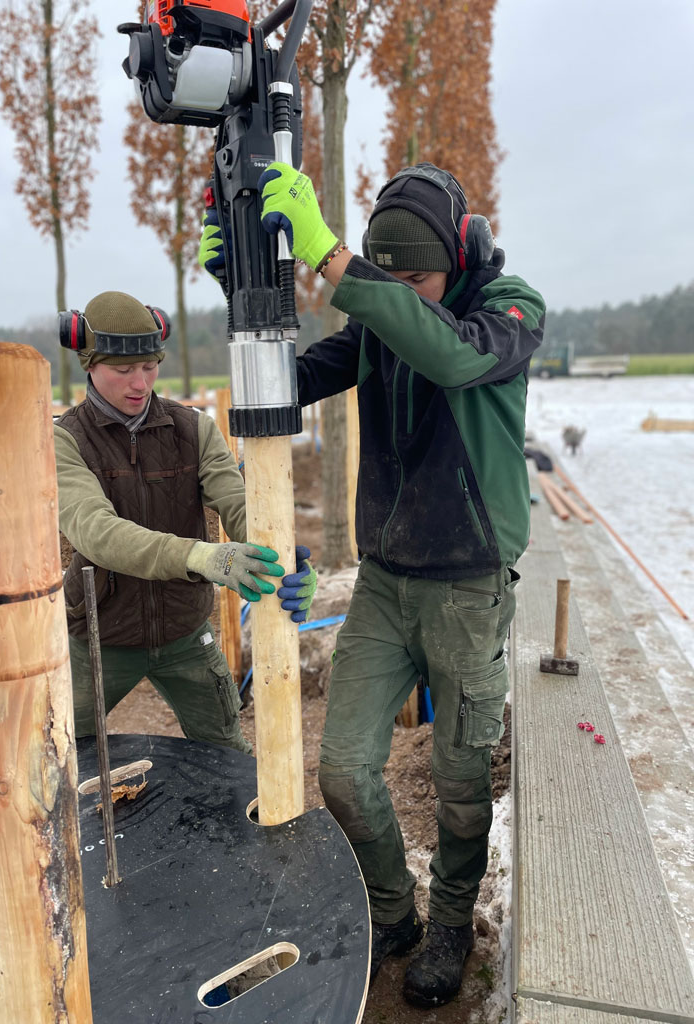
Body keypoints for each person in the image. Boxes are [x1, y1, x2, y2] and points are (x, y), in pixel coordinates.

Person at [256, 161, 545, 1007]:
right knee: (344, 769)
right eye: (395, 281)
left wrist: (335, 261)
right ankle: (393, 910)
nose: (404, 296)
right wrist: (247, 293)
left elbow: (450, 355)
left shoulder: (509, 309)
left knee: (460, 779)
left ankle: (451, 921)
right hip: (385, 583)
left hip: (467, 588)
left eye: (418, 280)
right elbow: (296, 379)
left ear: (461, 256)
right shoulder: (382, 319)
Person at [54, 290, 316, 750]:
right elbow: (97, 533)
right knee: (59, 750)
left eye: (149, 366)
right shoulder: (65, 440)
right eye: (123, 370)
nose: (140, 382)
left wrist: (284, 557)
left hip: (185, 630)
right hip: (97, 634)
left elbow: (239, 502)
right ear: (89, 364)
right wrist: (201, 556)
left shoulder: (193, 429)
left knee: (227, 753)